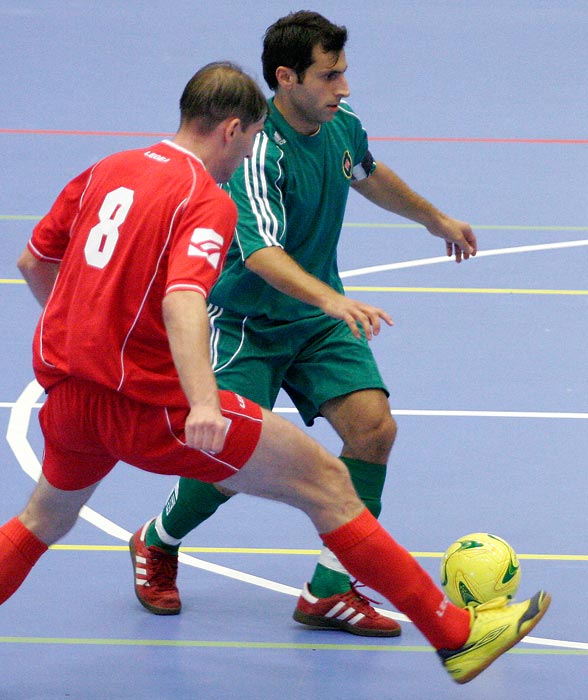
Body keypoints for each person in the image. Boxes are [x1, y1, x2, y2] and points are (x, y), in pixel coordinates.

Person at [3, 60, 549, 686]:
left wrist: (89, 335)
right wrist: (203, 402)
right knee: (327, 483)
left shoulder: (106, 170)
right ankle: (456, 636)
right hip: (153, 407)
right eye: (248, 143)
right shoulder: (204, 199)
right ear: (231, 130)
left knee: (42, 521)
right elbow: (184, 299)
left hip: (70, 401)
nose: (243, 161)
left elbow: (33, 260)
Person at [131, 11, 478, 636]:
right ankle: (157, 540)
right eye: (329, 75)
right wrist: (331, 301)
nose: (343, 87)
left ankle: (329, 589)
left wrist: (434, 218)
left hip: (314, 321)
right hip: (247, 323)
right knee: (232, 461)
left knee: (373, 431)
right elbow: (259, 253)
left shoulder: (340, 125)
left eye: (343, 72)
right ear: (286, 79)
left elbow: (366, 173)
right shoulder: (257, 150)